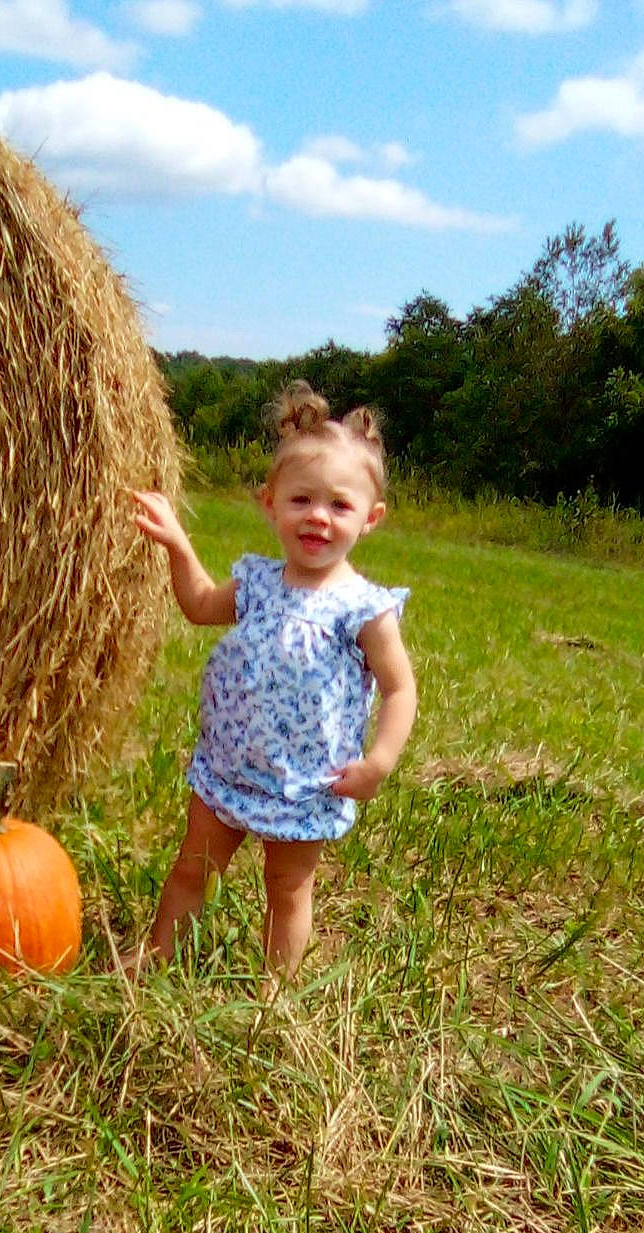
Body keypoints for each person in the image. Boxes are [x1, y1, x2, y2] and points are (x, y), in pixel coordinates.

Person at [130, 381, 417, 982]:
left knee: (286, 891)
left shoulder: (363, 609)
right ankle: (152, 969)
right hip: (229, 766)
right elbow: (202, 605)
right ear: (270, 503)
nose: (318, 516)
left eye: (339, 505)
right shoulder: (258, 584)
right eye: (301, 499)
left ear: (371, 518)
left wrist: (380, 760)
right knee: (192, 870)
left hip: (306, 782)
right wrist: (179, 545)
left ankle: (273, 999)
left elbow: (399, 689)